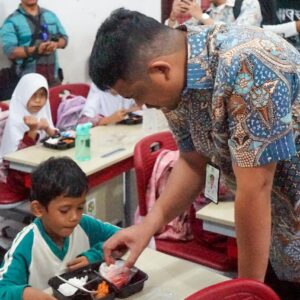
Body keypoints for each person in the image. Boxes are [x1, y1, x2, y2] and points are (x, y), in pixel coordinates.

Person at [89, 8, 300, 298]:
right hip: (274, 235)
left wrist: (246, 291)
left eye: (136, 94)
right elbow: (192, 162)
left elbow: (256, 188)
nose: (141, 104)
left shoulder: (248, 61)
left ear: (160, 70)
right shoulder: (178, 79)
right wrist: (148, 226)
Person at [0, 156, 119, 300]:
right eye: (64, 210)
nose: (74, 217)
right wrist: (28, 295)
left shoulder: (84, 224)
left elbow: (122, 237)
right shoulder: (27, 243)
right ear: (38, 209)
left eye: (80, 207)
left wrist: (94, 255)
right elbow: (3, 289)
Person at [0, 73, 57, 203]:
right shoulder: (16, 119)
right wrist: (32, 131)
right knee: (55, 183)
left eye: (42, 96)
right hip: (16, 176)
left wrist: (48, 129)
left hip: (39, 168)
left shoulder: (42, 113)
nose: (38, 101)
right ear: (23, 96)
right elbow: (14, 160)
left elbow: (56, 138)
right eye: (33, 96)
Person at [0, 0, 68, 88]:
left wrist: (55, 44)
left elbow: (64, 39)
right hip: (27, 82)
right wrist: (36, 50)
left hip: (53, 79)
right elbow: (9, 51)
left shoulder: (50, 15)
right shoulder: (11, 21)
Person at [166, 0, 262, 28]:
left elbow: (240, 34)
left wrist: (202, 17)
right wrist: (173, 17)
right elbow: (178, 37)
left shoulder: (249, 3)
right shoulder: (207, 13)